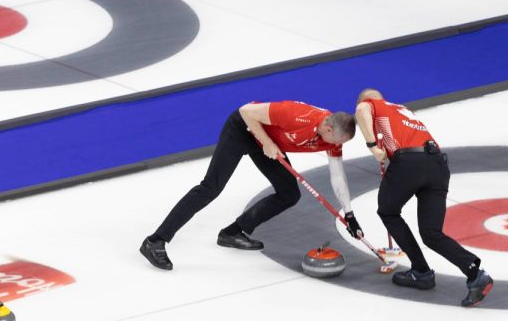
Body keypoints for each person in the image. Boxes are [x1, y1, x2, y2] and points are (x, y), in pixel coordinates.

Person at [140, 101, 361, 270]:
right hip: (243, 129)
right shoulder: (296, 115)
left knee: (289, 193)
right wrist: (267, 142)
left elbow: (338, 176)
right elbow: (246, 111)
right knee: (211, 187)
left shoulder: (331, 138)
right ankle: (155, 241)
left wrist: (349, 215)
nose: (337, 147)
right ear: (328, 128)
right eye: (338, 142)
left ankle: (233, 232)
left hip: (268, 140)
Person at [355, 89, 493, 307]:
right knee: (431, 233)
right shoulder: (402, 110)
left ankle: (421, 271)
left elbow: (362, 109)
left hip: (410, 163)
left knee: (388, 212)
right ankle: (475, 273)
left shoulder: (373, 105)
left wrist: (372, 146)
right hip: (437, 164)